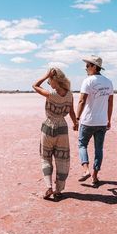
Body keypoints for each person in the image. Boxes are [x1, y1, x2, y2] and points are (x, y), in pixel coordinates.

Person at [32, 68, 78, 201]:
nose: (48, 83)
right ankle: (58, 190)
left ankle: (49, 186)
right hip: (62, 128)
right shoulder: (69, 94)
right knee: (62, 160)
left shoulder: (51, 94)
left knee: (46, 158)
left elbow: (34, 85)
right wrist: (75, 123)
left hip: (48, 126)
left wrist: (46, 75)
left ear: (54, 80)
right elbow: (72, 112)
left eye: (49, 81)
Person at [76, 55, 113, 186]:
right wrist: (109, 119)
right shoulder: (108, 82)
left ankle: (86, 170)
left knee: (82, 145)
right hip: (102, 122)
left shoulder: (88, 81)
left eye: (87, 65)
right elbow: (110, 103)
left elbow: (81, 100)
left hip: (88, 121)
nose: (85, 68)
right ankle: (95, 176)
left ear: (94, 67)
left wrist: (77, 118)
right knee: (99, 149)